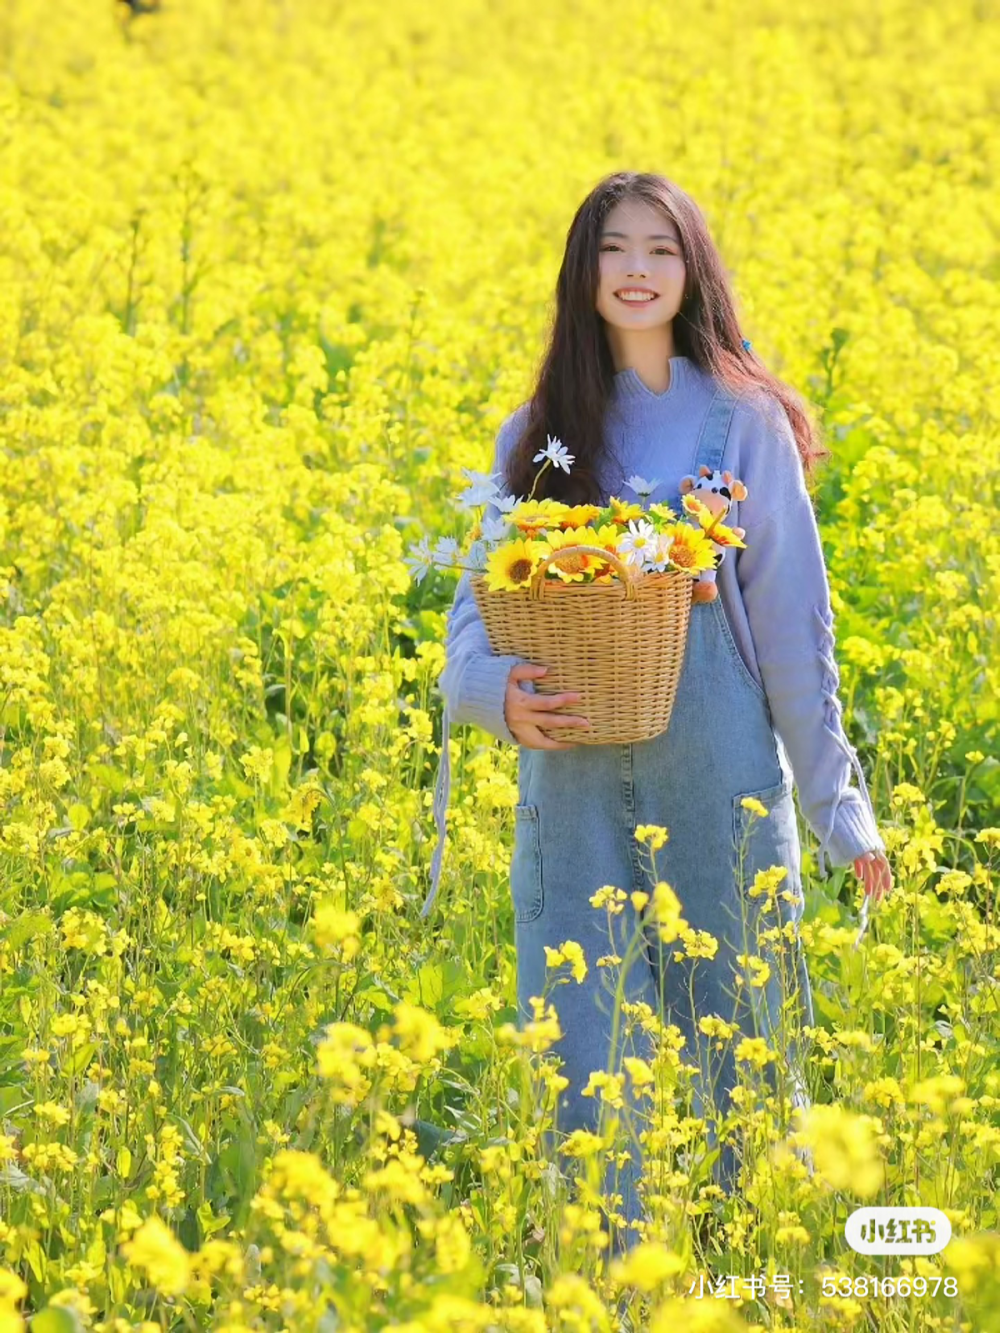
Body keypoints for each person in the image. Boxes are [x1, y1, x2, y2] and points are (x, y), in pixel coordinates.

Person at [420, 170, 893, 1257]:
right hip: (572, 776)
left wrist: (837, 807)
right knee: (578, 1039)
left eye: (659, 250)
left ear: (692, 272)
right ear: (581, 274)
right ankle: (611, 1274)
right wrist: (495, 696)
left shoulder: (743, 426)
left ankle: (749, 1261)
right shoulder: (535, 434)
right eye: (613, 250)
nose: (636, 271)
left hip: (717, 769)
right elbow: (467, 620)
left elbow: (790, 631)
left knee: (744, 1029)